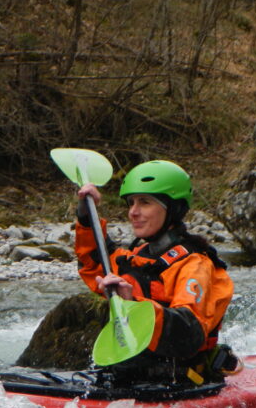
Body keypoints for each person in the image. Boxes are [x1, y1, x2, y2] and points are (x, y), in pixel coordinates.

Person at [75, 159, 239, 386]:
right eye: (131, 202)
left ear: (172, 208)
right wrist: (86, 217)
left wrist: (134, 303)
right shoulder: (138, 256)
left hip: (178, 382)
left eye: (145, 202)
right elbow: (95, 263)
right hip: (130, 377)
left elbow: (188, 334)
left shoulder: (195, 265)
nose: (133, 212)